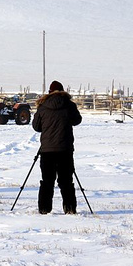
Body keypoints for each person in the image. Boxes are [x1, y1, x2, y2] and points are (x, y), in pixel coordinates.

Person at [32, 80, 82, 214]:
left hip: (47, 150)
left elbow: (36, 127)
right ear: (63, 91)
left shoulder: (42, 106)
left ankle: (44, 209)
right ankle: (70, 209)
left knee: (47, 181)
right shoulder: (69, 105)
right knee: (66, 181)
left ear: (49, 92)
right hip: (65, 149)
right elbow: (77, 120)